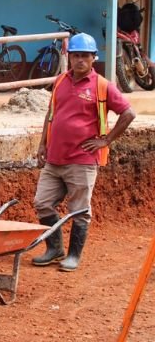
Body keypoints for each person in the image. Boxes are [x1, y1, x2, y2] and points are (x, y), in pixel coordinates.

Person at [32, 33, 136, 272]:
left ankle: (73, 256)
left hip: (82, 160)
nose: (79, 60)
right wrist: (42, 144)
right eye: (76, 55)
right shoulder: (60, 81)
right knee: (42, 203)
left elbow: (128, 114)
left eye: (85, 56)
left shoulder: (102, 86)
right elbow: (50, 115)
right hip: (54, 158)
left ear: (93, 58)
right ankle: (54, 249)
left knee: (79, 209)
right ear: (69, 57)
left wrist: (106, 141)